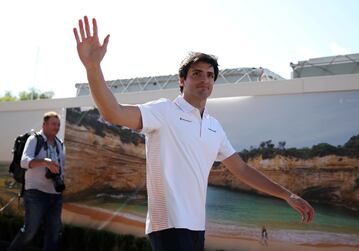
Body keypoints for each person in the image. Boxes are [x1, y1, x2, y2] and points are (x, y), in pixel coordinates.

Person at [73, 16, 315, 251]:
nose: (204, 80)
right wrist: (93, 67)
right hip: (167, 224)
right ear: (182, 80)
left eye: (210, 75)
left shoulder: (214, 127)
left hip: (196, 227)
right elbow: (112, 112)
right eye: (197, 73)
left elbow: (242, 170)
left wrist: (287, 195)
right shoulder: (164, 111)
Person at [7, 112, 65, 251]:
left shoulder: (60, 144)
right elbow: (24, 162)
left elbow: (61, 168)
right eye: (53, 124)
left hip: (55, 195)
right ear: (44, 124)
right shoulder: (34, 139)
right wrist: (45, 162)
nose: (56, 127)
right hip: (35, 193)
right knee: (30, 232)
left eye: (58, 124)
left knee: (53, 233)